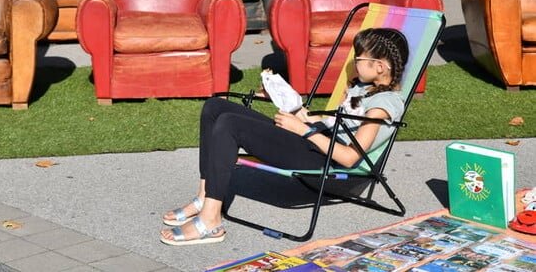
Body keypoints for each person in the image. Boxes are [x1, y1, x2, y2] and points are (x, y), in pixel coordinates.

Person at [159, 27, 409, 246]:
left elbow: (349, 156)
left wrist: (304, 130)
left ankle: (211, 221)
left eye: (359, 58)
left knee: (229, 124)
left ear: (380, 66)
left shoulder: (383, 106)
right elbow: (332, 124)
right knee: (216, 107)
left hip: (330, 166)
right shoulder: (363, 87)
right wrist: (289, 104)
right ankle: (205, 197)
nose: (354, 62)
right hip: (316, 142)